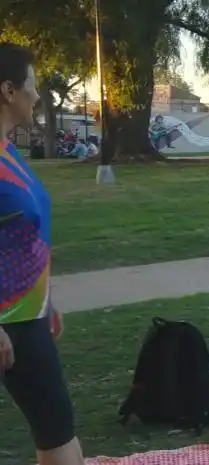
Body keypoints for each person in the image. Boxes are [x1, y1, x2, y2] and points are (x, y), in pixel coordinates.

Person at [0, 42, 86, 465]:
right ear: (8, 91)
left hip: (26, 317)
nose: (38, 95)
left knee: (56, 431)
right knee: (58, 434)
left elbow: (20, 233)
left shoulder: (7, 151)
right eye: (33, 85)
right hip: (6, 322)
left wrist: (46, 298)